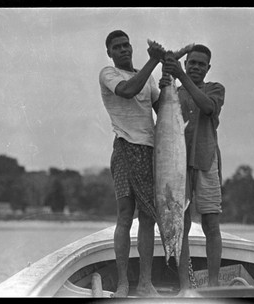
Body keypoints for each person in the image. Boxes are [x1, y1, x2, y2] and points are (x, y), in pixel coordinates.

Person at [98, 30, 165, 298]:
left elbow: (163, 107)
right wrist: (154, 60)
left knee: (148, 218)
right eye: (118, 47)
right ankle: (123, 282)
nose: (124, 49)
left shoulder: (148, 78)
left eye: (127, 45)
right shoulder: (108, 74)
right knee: (125, 216)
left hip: (150, 151)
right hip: (125, 147)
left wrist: (170, 74)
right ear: (110, 53)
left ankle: (146, 283)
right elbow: (127, 91)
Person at [161, 44, 225, 291]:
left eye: (201, 64)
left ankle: (213, 286)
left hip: (206, 161)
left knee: (211, 224)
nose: (196, 67)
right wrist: (167, 75)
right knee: (181, 225)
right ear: (185, 63)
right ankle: (185, 286)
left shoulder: (215, 89)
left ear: (208, 68)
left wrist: (180, 75)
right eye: (192, 63)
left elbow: (208, 107)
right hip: (176, 167)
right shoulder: (173, 92)